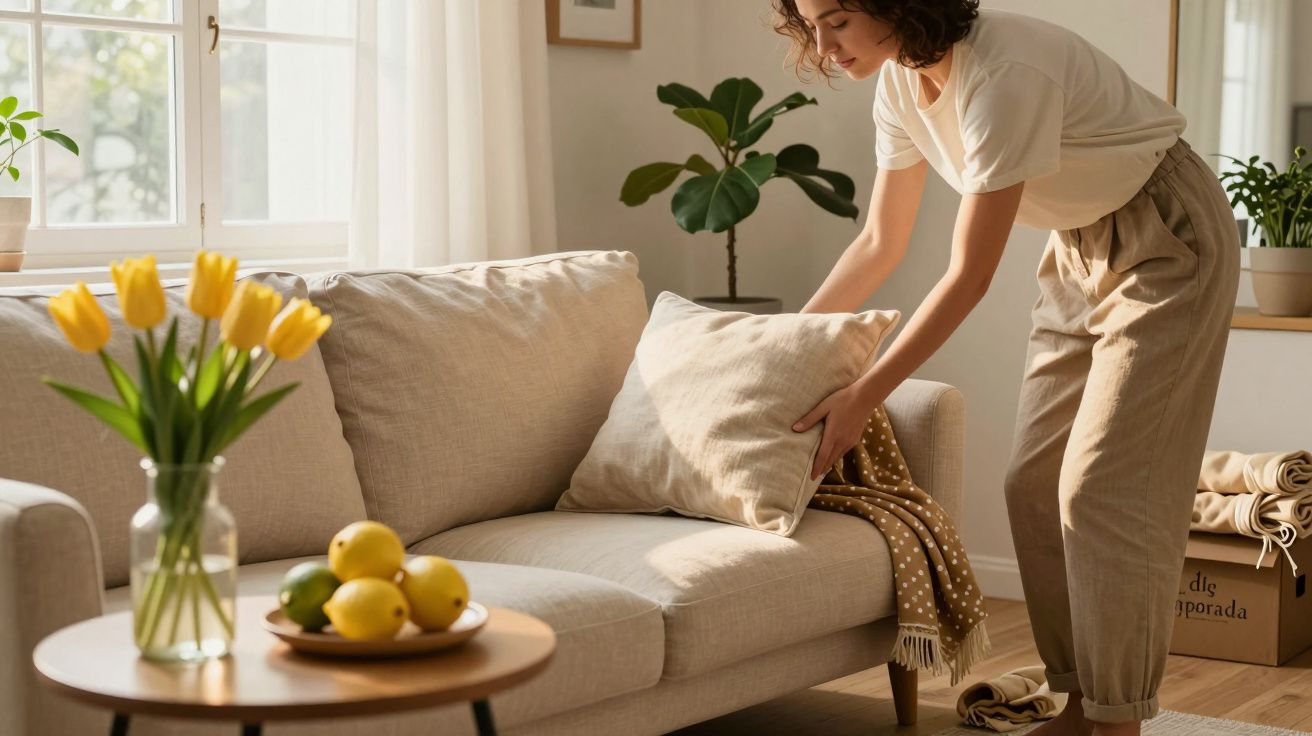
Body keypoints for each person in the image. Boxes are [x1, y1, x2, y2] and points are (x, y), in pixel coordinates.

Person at [779, 1, 1241, 735]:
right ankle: (1082, 701)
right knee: (1032, 483)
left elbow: (968, 276)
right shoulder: (898, 84)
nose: (822, 44)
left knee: (1101, 488)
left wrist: (865, 393)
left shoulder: (1004, 71)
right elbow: (879, 243)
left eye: (835, 19)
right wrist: (778, 350)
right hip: (1074, 243)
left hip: (1167, 234)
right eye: (809, 24)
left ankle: (1116, 720)